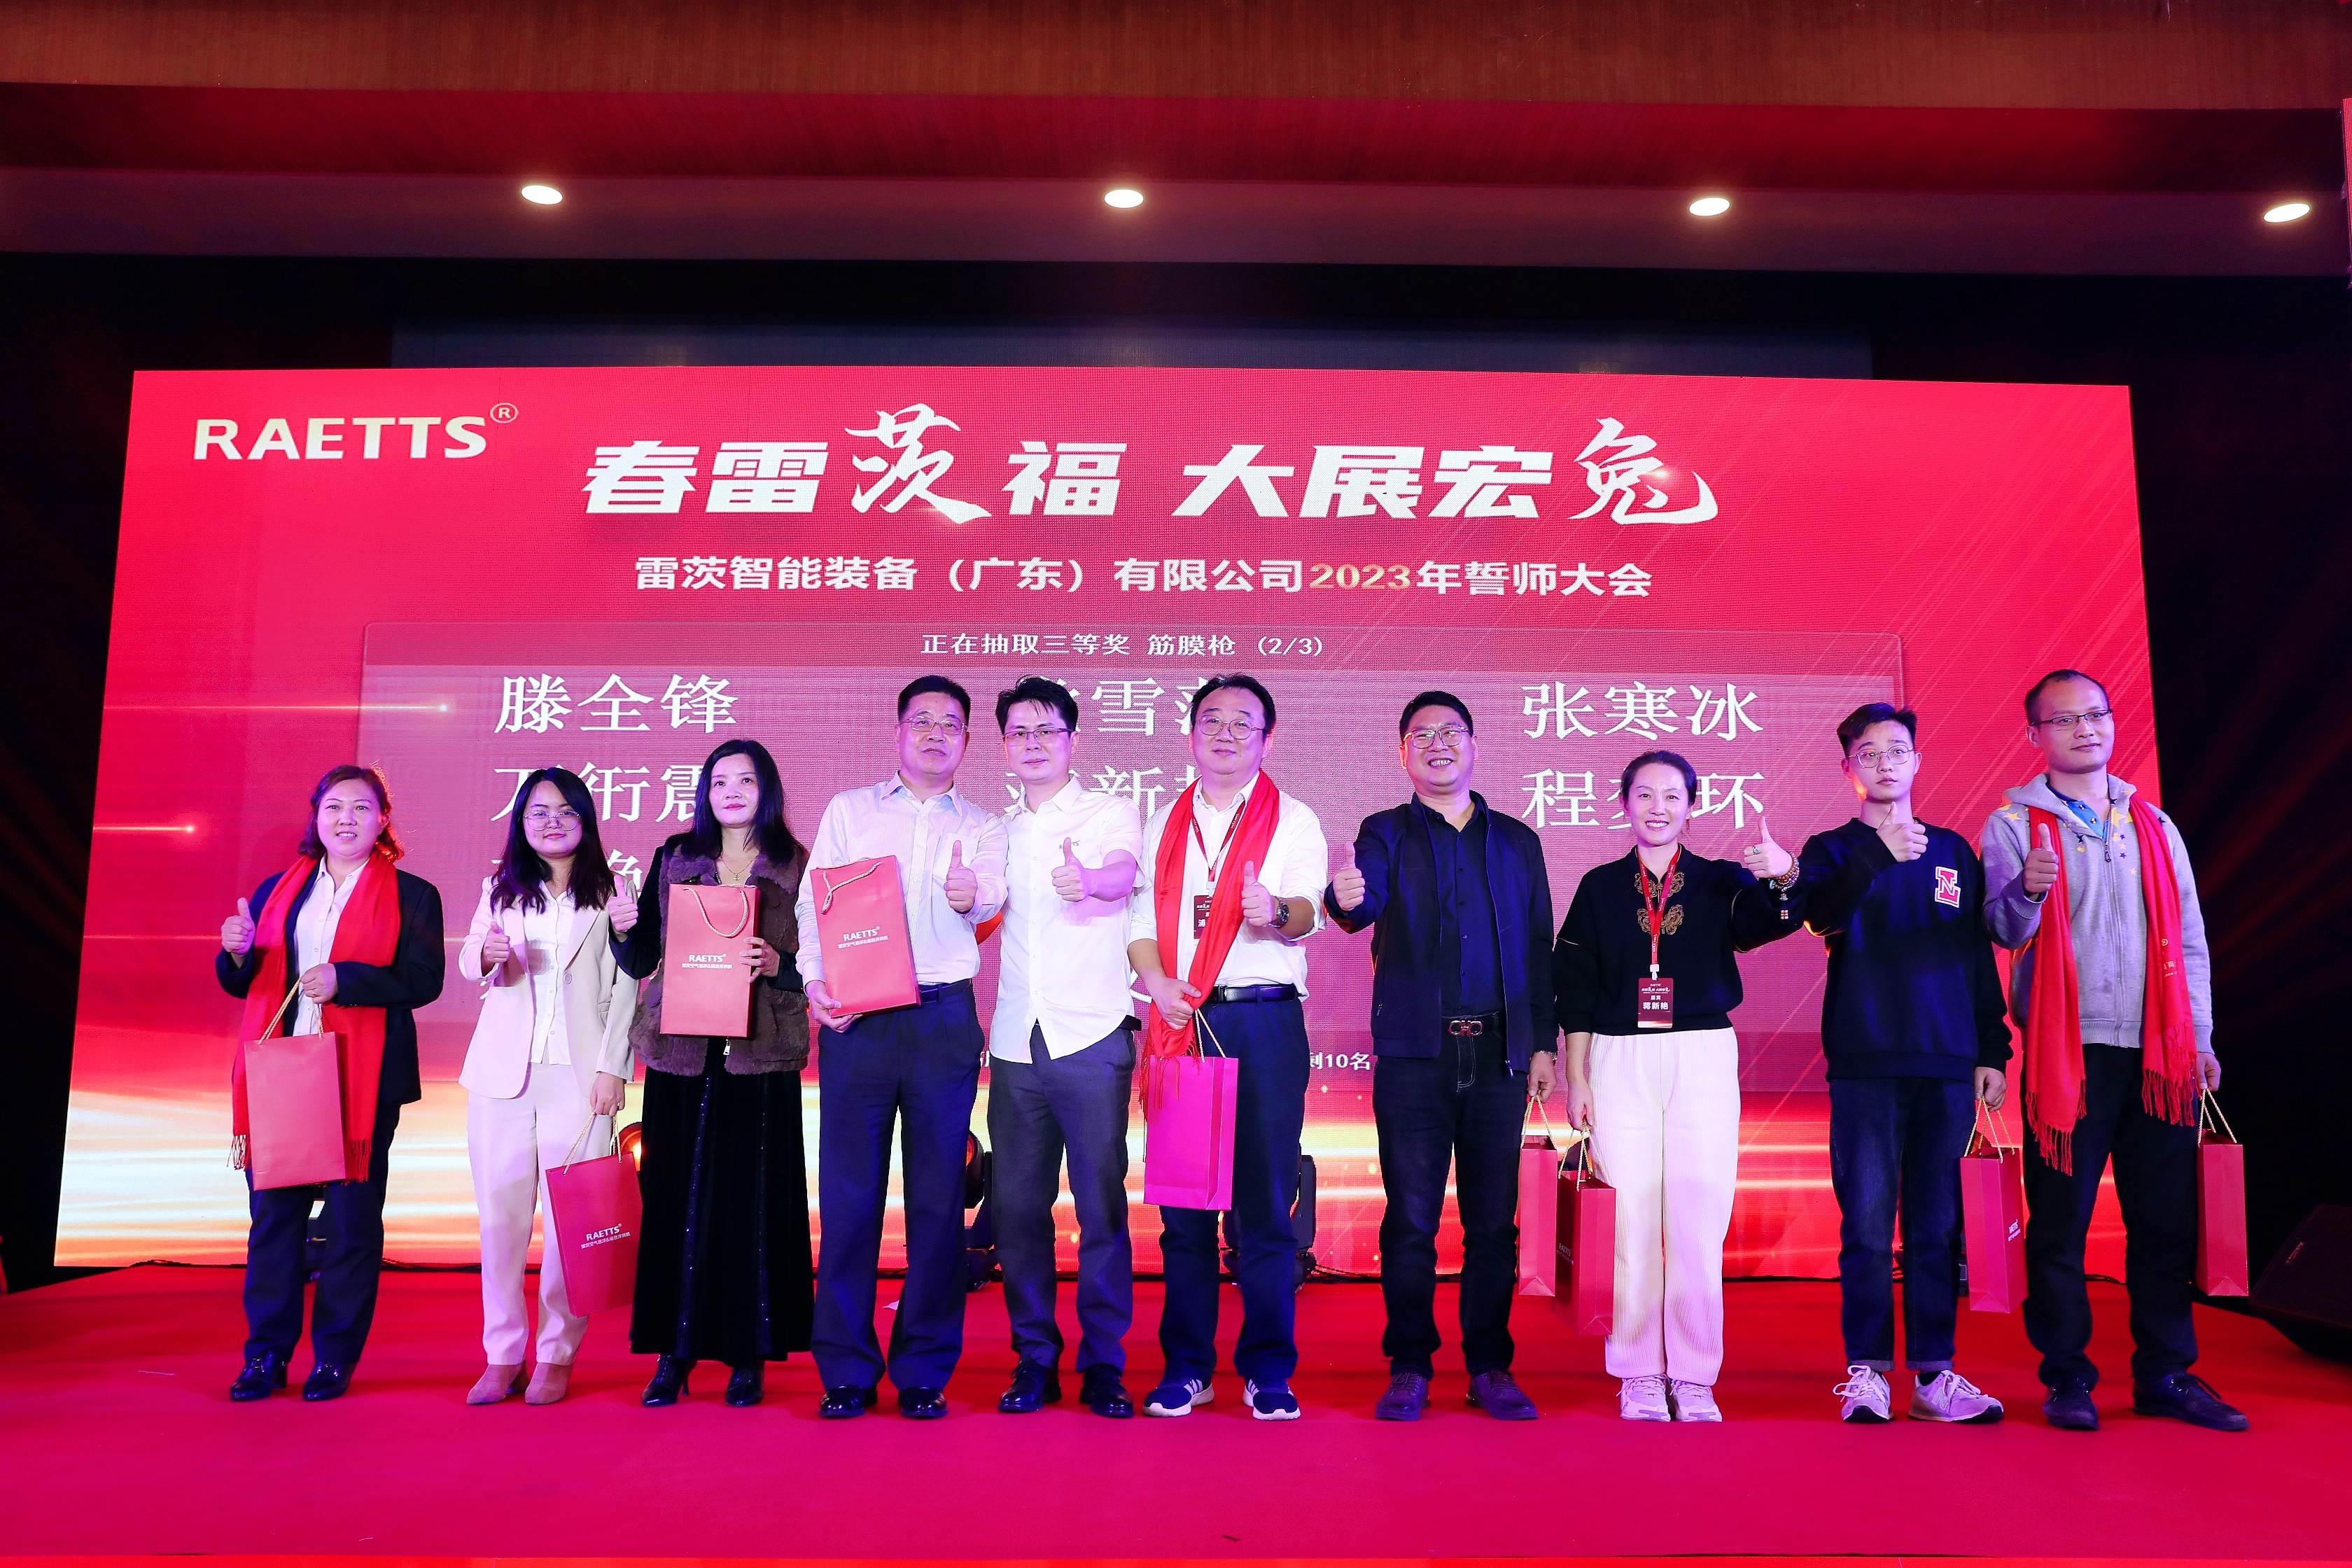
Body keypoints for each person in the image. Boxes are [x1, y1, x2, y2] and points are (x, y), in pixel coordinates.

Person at [1980, 670, 2242, 1432]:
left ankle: (2165, 1372)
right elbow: (2000, 929)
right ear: (2036, 735)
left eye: (2094, 714)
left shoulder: (2153, 822)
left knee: (2164, 1221)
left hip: (2161, 1052)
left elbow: (2189, 938)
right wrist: (2027, 892)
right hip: (2070, 1051)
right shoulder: (2013, 825)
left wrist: (2200, 1035)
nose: (2084, 729)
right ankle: (2067, 1375)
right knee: (2060, 1224)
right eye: (2064, 720)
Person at [1325, 691, 1557, 1422]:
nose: (1437, 744)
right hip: (1414, 1057)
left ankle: (1489, 1365)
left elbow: (1538, 948)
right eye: (1421, 735)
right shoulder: (1384, 831)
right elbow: (1361, 903)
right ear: (1402, 753)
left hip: (1499, 1056)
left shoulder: (1516, 840)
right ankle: (1410, 1365)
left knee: (1493, 1224)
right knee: (1412, 1221)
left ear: (1474, 745)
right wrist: (1345, 898)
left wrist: (1542, 1041)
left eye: (1451, 731)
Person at [1552, 750, 1802, 1422]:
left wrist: (1783, 876)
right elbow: (1575, 989)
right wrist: (1577, 1077)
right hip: (1618, 1056)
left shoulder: (1723, 880)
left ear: (1692, 806)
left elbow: (1768, 923)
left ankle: (1693, 1374)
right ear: (1624, 803)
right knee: (1629, 1217)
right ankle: (1636, 1370)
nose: (1657, 807)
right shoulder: (1599, 887)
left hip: (1701, 1054)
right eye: (1643, 794)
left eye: (1671, 796)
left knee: (1698, 1215)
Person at [797, 676, 1008, 1420]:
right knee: (849, 1198)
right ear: (897, 732)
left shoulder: (985, 825)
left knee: (938, 1201)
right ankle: (846, 1369)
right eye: (922, 720)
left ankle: (923, 1368)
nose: (934, 733)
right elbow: (814, 903)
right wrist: (815, 981)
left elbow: (992, 896)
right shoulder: (850, 811)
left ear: (967, 741)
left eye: (950, 724)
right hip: (859, 1018)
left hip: (943, 1019)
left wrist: (969, 897)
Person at [1798, 705, 2011, 1424]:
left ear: (1918, 760)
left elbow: (1975, 955)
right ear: (1848, 770)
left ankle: (1934, 1375)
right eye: (1869, 752)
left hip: (1947, 1061)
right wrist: (1877, 856)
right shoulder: (1833, 849)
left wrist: (1991, 1049)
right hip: (1866, 1059)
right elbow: (1820, 916)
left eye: (1897, 750)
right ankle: (1866, 1372)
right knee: (1865, 1226)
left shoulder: (1953, 850)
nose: (1885, 762)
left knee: (1936, 1226)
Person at [1128, 673, 1329, 1422]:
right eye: (1211, 719)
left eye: (1243, 722)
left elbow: (1308, 912)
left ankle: (1269, 1368)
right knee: (1184, 1210)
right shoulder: (1163, 821)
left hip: (1262, 1023)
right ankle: (1188, 1367)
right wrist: (1157, 983)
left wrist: (1272, 909)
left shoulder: (1294, 819)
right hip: (1183, 1021)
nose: (1225, 733)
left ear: (1267, 739)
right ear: (1189, 734)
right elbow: (1138, 924)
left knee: (1265, 1207)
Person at [216, 764, 445, 1402]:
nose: (347, 819)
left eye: (362, 808)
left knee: (351, 1221)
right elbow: (242, 983)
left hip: (363, 1076)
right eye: (334, 807)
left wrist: (349, 980)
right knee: (274, 1218)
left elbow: (424, 980)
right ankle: (265, 1356)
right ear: (316, 817)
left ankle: (334, 1358)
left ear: (383, 820)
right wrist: (235, 953)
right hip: (286, 1071)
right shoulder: (277, 891)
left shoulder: (413, 895)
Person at [613, 738, 813, 1409]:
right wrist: (622, 930)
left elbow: (821, 963)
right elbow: (642, 955)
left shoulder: (796, 863)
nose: (731, 791)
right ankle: (673, 1353)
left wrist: (779, 965)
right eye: (720, 780)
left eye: (746, 781)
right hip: (683, 1051)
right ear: (704, 791)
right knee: (674, 1199)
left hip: (760, 1054)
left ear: (768, 790)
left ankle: (749, 1352)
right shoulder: (676, 857)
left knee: (753, 1203)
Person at [455, 767, 640, 1406]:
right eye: (538, 811)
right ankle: (502, 1354)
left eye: (566, 811)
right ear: (521, 822)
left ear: (586, 821)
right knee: (500, 1220)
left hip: (580, 1077)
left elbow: (627, 987)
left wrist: (613, 1069)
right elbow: (470, 956)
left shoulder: (614, 891)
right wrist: (486, 956)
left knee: (571, 1225)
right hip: (503, 1076)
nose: (552, 822)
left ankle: (557, 1354)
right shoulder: (501, 889)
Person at [987, 676, 1145, 1419]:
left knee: (1100, 1205)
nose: (1033, 743)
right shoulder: (995, 831)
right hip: (1017, 1041)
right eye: (1019, 732)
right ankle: (1035, 1357)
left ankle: (1105, 1362)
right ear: (1003, 745)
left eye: (1047, 729)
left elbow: (1122, 875)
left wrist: (1089, 880)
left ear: (1073, 739)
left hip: (1091, 1036)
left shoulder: (1109, 811)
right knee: (1018, 1207)